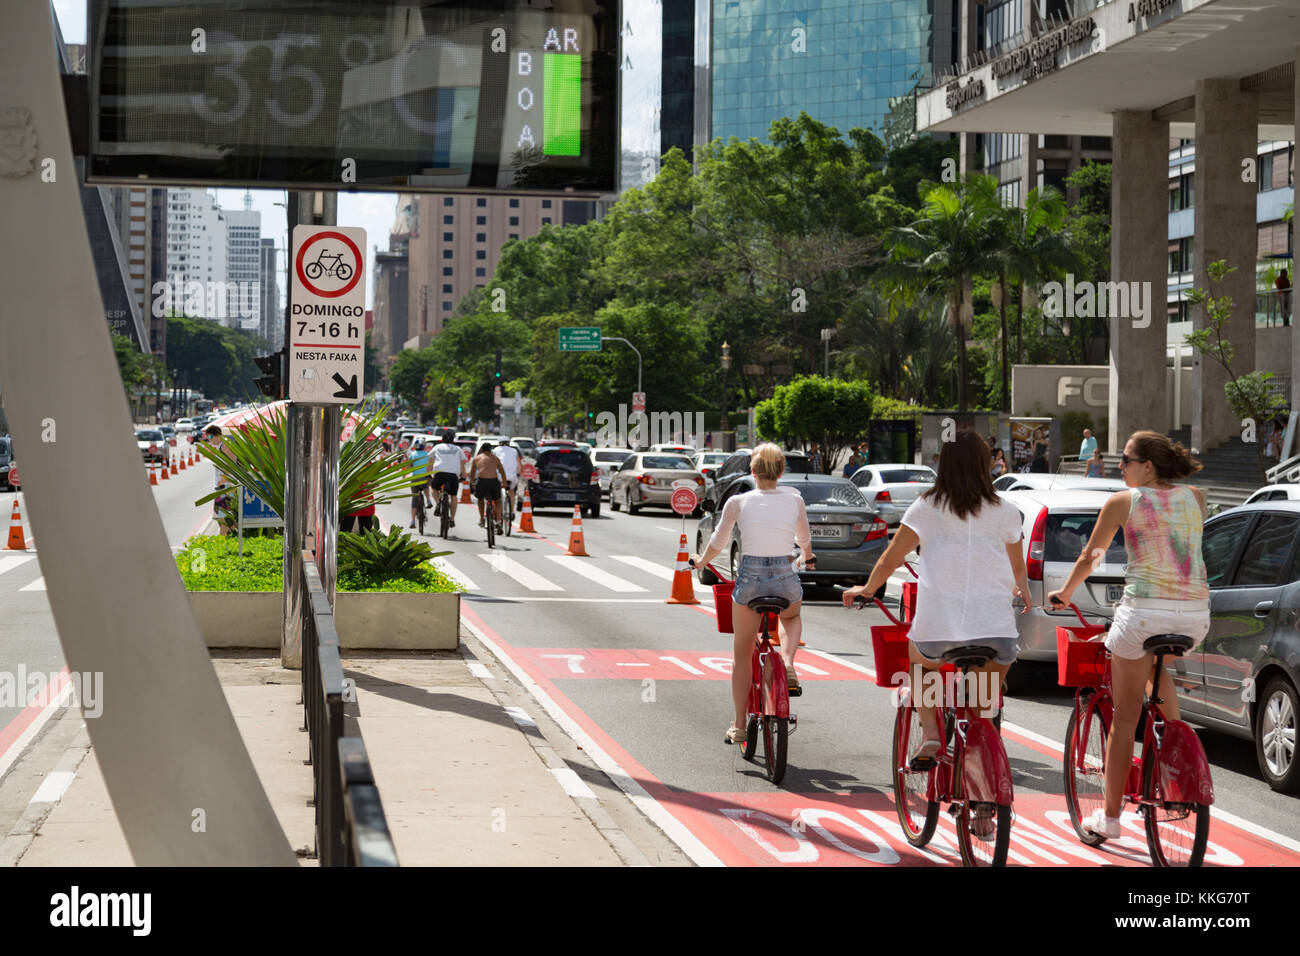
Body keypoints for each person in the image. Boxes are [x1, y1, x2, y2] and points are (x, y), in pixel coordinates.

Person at [844, 432, 1032, 789]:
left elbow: (891, 557)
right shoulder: (1007, 510)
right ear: (985, 465)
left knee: (920, 662)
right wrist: (1024, 593)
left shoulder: (926, 507)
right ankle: (982, 803)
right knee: (980, 709)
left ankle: (931, 733)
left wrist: (867, 589)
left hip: (938, 633)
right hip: (998, 636)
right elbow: (1017, 568)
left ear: (942, 466)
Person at [1047, 430, 1209, 840]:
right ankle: (1174, 749)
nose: (1119, 466)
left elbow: (1092, 556)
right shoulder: (1198, 497)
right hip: (1194, 616)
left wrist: (1065, 593)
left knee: (1125, 715)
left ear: (1147, 466)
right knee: (1159, 669)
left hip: (1142, 614)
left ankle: (1111, 818)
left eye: (1126, 459)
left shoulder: (1123, 502)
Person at [689, 444, 815, 745]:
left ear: (752, 471)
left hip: (751, 579)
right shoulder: (795, 499)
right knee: (792, 615)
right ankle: (787, 661)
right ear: (782, 472)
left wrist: (701, 563)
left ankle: (738, 724)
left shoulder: (738, 501)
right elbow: (804, 539)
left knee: (742, 652)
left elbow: (718, 543)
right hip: (785, 576)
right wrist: (807, 557)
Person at [430, 433, 466, 528]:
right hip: (453, 475)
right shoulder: (458, 449)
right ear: (453, 440)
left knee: (433, 488)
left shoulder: (437, 447)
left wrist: (428, 474)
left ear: (442, 440)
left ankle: (438, 504)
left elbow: (430, 460)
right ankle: (453, 519)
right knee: (453, 496)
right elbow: (462, 463)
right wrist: (463, 476)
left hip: (439, 473)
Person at [470, 442, 507, 531]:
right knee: (498, 501)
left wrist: (472, 482)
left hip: (482, 481)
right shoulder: (495, 458)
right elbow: (502, 471)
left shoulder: (477, 458)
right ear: (491, 450)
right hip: (493, 482)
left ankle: (482, 519)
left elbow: (472, 473)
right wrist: (504, 482)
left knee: (480, 499)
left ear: (482, 449)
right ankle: (498, 521)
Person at [408, 440, 432, 528]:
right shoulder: (427, 454)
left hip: (414, 479)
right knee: (426, 485)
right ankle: (428, 500)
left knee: (414, 499)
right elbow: (430, 466)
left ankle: (412, 521)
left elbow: (409, 467)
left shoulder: (412, 454)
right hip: (424, 478)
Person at [495, 439, 521, 509]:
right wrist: (519, 473)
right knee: (511, 491)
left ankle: (498, 510)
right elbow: (519, 466)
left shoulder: (496, 450)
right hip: (512, 477)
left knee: (496, 491)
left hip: (499, 477)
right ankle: (512, 511)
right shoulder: (514, 451)